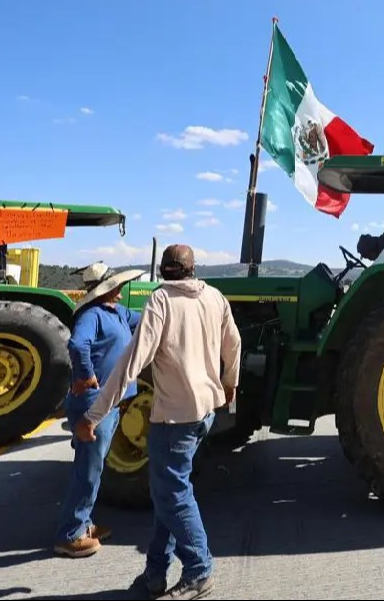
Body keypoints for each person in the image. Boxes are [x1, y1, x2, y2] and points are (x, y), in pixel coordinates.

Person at [79, 244, 241, 601]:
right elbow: (234, 344)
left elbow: (131, 363)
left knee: (173, 494)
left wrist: (94, 415)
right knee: (166, 491)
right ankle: (154, 572)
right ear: (192, 268)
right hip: (205, 412)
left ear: (164, 271)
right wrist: (230, 385)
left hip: (175, 416)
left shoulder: (161, 301)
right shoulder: (215, 297)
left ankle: (199, 570)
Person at [53, 263, 145, 558]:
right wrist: (85, 374)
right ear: (102, 290)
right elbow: (78, 345)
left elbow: (145, 320)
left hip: (110, 401)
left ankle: (84, 523)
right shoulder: (91, 315)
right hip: (93, 402)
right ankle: (70, 535)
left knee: (95, 467)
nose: (120, 293)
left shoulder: (116, 313)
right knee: (87, 472)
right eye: (115, 288)